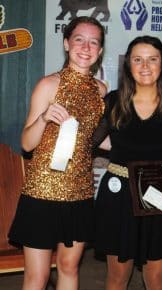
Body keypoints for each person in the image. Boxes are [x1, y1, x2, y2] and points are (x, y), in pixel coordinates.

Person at [8, 16, 106, 290]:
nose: (86, 47)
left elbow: (98, 140)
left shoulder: (101, 91)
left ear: (99, 51)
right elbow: (27, 144)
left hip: (80, 194)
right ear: (66, 44)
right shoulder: (48, 84)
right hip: (41, 194)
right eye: (79, 39)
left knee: (68, 267)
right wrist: (43, 119)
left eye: (93, 42)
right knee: (36, 278)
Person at [92, 35, 162, 290]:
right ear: (128, 64)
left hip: (160, 197)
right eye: (138, 59)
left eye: (152, 59)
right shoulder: (113, 102)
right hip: (118, 196)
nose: (145, 66)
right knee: (117, 277)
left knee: (158, 279)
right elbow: (88, 142)